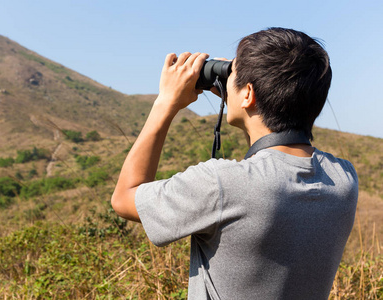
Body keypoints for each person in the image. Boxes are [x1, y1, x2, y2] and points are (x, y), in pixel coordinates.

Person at [111, 28, 358, 299]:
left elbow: (124, 198)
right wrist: (244, 99)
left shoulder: (221, 184)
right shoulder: (344, 179)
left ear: (248, 94)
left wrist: (165, 102)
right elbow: (271, 160)